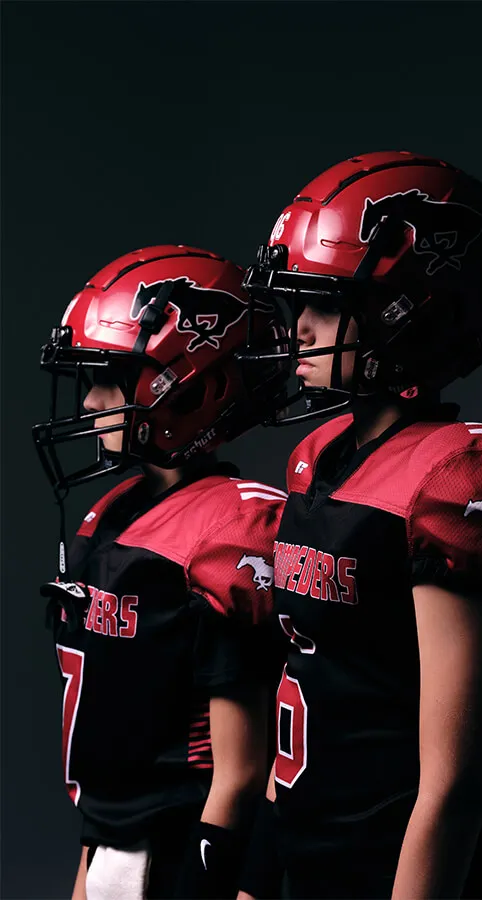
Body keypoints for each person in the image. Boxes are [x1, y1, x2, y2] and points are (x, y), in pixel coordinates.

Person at [237, 152, 482, 900]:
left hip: (407, 875)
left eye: (324, 303)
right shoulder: (316, 457)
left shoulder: (460, 478)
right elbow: (306, 676)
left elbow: (454, 784)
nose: (300, 328)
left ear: (406, 310)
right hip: (307, 861)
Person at [33, 244, 290, 900]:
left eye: (107, 377)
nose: (89, 401)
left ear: (192, 387)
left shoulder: (227, 529)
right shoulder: (111, 514)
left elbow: (243, 771)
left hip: (185, 851)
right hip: (113, 847)